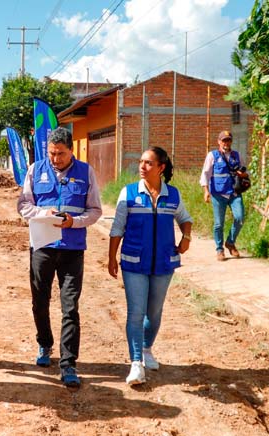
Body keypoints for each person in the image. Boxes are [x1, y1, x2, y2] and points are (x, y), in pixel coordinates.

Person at [16, 127, 102, 388]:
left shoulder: (86, 173)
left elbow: (95, 210)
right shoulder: (35, 170)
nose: (55, 159)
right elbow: (22, 205)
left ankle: (68, 364)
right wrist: (43, 212)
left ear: (71, 150)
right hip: (42, 247)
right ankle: (44, 344)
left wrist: (74, 221)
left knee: (70, 307)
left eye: (61, 154)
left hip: (73, 249)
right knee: (39, 301)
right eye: (52, 153)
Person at [108, 146, 193, 385]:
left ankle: (146, 349)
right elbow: (117, 228)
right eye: (141, 162)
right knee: (136, 312)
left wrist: (185, 239)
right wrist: (111, 257)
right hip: (134, 262)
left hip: (164, 262)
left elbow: (185, 219)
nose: (142, 167)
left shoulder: (173, 195)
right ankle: (135, 364)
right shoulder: (129, 193)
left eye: (148, 163)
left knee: (154, 311)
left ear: (161, 168)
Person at [200, 130, 245, 261]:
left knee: (240, 218)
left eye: (228, 140)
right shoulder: (212, 155)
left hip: (234, 193)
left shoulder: (237, 155)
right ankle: (219, 249)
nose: (226, 143)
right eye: (224, 140)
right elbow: (205, 174)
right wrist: (206, 191)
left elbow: (244, 169)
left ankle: (230, 242)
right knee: (219, 223)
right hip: (218, 194)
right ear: (219, 142)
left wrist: (243, 174)